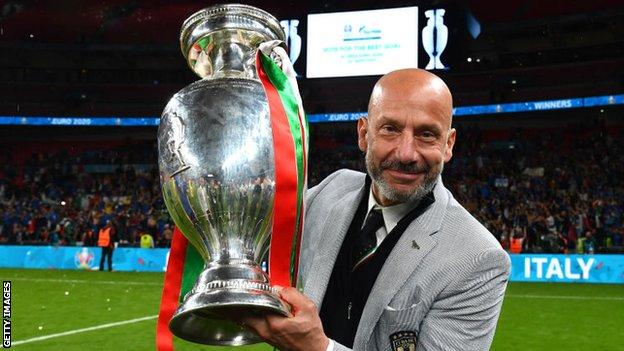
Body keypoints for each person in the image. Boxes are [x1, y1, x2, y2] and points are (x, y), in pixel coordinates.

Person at [243, 69, 510, 350]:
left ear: (448, 145)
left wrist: (319, 348)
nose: (406, 153)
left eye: (426, 134)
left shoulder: (477, 257)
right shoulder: (331, 190)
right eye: (390, 129)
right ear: (363, 134)